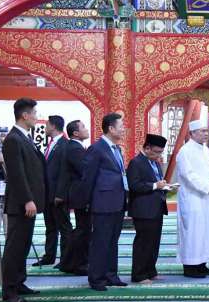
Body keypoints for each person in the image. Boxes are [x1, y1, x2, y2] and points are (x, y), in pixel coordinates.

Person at [1, 98, 46, 302]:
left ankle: (19, 282)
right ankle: (9, 291)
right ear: (25, 115)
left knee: (24, 246)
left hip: (28, 204)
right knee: (14, 248)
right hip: (21, 204)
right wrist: (28, 199)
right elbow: (17, 174)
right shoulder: (13, 139)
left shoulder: (24, 137)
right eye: (35, 113)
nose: (37, 117)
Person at [83, 113, 128, 291]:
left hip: (117, 201)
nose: (123, 129)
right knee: (100, 241)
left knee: (112, 241)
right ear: (111, 128)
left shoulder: (116, 148)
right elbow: (88, 178)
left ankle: (111, 275)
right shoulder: (97, 148)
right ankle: (96, 278)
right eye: (121, 126)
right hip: (102, 202)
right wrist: (87, 202)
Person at [175, 119, 209, 278]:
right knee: (193, 232)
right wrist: (207, 186)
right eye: (202, 131)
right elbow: (188, 176)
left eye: (206, 131)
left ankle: (202, 264)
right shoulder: (185, 151)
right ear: (192, 133)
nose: (206, 134)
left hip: (208, 197)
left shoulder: (206, 150)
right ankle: (190, 267)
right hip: (193, 198)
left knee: (205, 231)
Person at [127, 134, 175, 284]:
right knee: (143, 243)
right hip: (143, 209)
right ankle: (139, 275)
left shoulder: (154, 162)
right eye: (156, 152)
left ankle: (150, 271)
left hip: (156, 207)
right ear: (147, 148)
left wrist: (166, 187)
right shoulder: (136, 162)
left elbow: (157, 183)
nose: (159, 156)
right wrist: (156, 186)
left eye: (161, 152)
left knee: (154, 242)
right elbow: (134, 185)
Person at [34, 115, 72, 268]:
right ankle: (49, 256)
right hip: (48, 194)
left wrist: (60, 194)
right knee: (50, 226)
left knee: (64, 227)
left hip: (58, 195)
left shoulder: (64, 145)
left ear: (54, 126)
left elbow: (65, 172)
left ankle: (65, 259)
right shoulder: (52, 144)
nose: (45, 128)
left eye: (47, 125)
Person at [57, 120, 90, 276]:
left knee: (81, 229)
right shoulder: (75, 148)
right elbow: (85, 171)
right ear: (75, 133)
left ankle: (68, 262)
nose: (86, 129)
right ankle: (77, 264)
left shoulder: (75, 147)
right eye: (83, 127)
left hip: (78, 194)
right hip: (80, 195)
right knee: (82, 230)